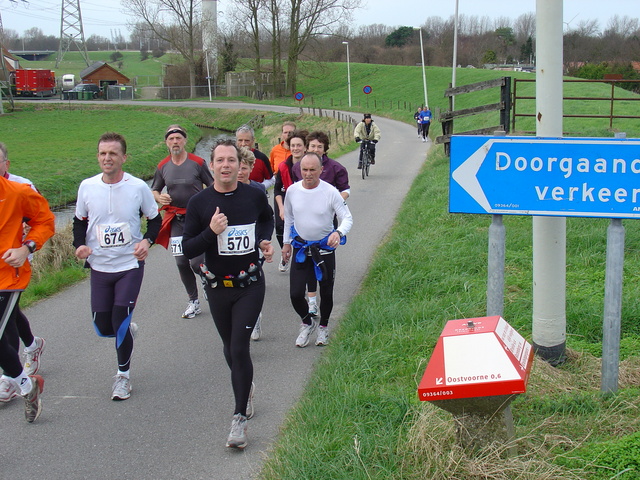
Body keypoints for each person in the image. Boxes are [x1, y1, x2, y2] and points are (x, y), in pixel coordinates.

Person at [182, 139, 274, 450]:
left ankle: (238, 420)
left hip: (250, 285)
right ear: (211, 166)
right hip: (217, 287)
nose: (225, 165)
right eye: (219, 160)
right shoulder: (200, 203)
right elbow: (189, 247)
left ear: (239, 164)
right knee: (228, 347)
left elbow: (267, 218)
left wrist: (263, 240)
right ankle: (244, 386)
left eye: (231, 160)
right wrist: (212, 232)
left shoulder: (254, 195)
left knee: (238, 347)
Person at [73, 132, 161, 401]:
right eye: (102, 153)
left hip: (129, 265)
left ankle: (123, 376)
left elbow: (154, 220)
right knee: (103, 326)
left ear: (124, 157)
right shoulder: (87, 186)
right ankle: (126, 329)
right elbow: (79, 221)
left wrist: (147, 241)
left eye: (112, 153)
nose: (107, 158)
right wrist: (79, 246)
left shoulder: (137, 187)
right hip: (99, 266)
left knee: (120, 320)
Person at [282, 152, 353, 348]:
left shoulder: (330, 192)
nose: (308, 174)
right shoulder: (293, 191)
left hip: (324, 249)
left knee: (326, 292)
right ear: (299, 170)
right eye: (304, 169)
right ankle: (307, 322)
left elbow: (347, 217)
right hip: (301, 247)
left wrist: (338, 233)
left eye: (313, 170)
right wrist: (287, 243)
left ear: (321, 170)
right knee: (296, 294)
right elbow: (288, 218)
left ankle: (323, 327)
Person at [0, 174, 55, 422]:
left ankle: (20, 382)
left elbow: (45, 220)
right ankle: (26, 385)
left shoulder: (17, 192)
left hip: (7, 278)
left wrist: (27, 247)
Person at [151, 125, 214, 319]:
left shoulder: (197, 162)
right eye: (171, 139)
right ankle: (193, 301)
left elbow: (212, 185)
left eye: (178, 138)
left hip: (197, 219)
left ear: (185, 141)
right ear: (166, 143)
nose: (175, 142)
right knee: (181, 262)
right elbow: (154, 189)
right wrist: (159, 197)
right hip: (176, 220)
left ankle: (205, 280)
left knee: (196, 262)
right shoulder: (163, 166)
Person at [237, 147, 268, 341]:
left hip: (254, 243)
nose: (240, 172)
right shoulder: (224, 188)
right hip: (233, 246)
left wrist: (263, 239)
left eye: (244, 168)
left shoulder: (258, 189)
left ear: (251, 168)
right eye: (237, 167)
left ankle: (253, 317)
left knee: (251, 280)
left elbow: (265, 217)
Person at [235, 125, 274, 190]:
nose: (243, 144)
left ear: (253, 140)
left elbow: (271, 179)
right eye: (240, 140)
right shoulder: (230, 157)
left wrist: (259, 187)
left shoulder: (261, 158)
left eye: (247, 140)